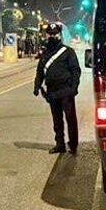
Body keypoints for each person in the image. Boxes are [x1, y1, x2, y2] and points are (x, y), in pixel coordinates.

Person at [34, 23, 80, 154]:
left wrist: (74, 87)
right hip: (52, 92)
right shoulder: (45, 54)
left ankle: (73, 144)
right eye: (50, 34)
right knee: (57, 120)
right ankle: (60, 144)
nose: (53, 36)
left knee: (70, 119)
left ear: (60, 35)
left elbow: (75, 70)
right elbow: (40, 72)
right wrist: (37, 86)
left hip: (66, 90)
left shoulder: (68, 51)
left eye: (55, 34)